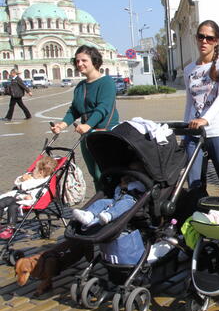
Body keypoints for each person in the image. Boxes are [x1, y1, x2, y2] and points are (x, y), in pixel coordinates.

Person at [51, 46, 119, 191]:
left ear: (94, 61)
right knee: (95, 174)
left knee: (106, 173)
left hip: (105, 133)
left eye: (84, 60)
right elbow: (74, 109)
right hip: (87, 135)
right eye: (77, 61)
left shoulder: (106, 82)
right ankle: (99, 201)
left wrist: (88, 125)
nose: (79, 64)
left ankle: (113, 204)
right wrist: (62, 125)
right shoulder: (80, 86)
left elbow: (103, 108)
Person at [182, 20, 219, 190]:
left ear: (217, 41)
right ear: (196, 38)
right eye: (201, 37)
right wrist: (184, 132)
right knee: (194, 184)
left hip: (217, 131)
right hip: (194, 132)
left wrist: (205, 119)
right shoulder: (189, 69)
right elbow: (189, 101)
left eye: (209, 38)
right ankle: (198, 215)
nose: (204, 41)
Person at [0, 156, 59, 239]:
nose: (33, 170)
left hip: (25, 200)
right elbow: (17, 183)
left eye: (35, 169)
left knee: (13, 207)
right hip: (17, 195)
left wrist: (29, 197)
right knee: (2, 202)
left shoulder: (43, 183)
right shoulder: (30, 175)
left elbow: (38, 194)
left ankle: (10, 228)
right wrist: (21, 179)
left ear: (41, 172)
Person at [72, 175, 146, 227]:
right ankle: (88, 215)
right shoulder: (120, 186)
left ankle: (108, 216)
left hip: (131, 202)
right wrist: (122, 183)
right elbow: (116, 193)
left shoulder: (138, 185)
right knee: (101, 202)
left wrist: (128, 185)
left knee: (123, 205)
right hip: (114, 201)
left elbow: (141, 187)